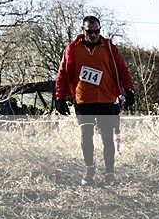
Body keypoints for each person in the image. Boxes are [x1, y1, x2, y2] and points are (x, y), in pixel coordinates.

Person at [54, 16, 135, 186]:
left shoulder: (109, 48)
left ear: (100, 30)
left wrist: (129, 90)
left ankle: (110, 173)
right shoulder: (72, 49)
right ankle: (89, 169)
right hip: (83, 100)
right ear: (83, 31)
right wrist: (59, 98)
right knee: (87, 136)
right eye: (89, 32)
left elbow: (123, 70)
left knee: (107, 137)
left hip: (106, 100)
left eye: (96, 31)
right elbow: (62, 74)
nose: (93, 35)